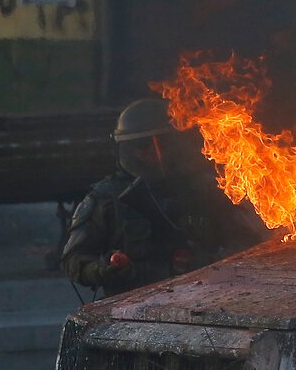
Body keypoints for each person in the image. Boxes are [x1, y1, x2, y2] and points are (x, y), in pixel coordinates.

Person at [61, 98, 270, 297]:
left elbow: (248, 245)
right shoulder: (106, 199)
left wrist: (206, 264)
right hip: (131, 311)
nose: (154, 151)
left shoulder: (203, 189)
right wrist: (108, 267)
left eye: (163, 142)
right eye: (143, 145)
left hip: (203, 303)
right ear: (128, 148)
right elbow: (74, 260)